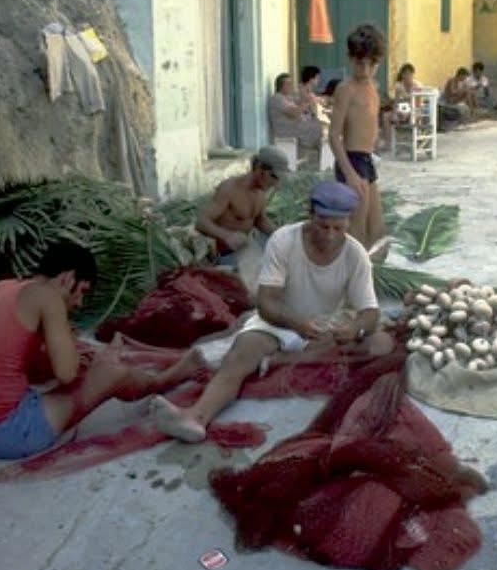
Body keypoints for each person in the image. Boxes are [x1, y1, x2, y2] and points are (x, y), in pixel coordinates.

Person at [151, 181, 395, 442]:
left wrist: (354, 328)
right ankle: (196, 417)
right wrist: (297, 322)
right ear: (310, 214)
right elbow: (267, 303)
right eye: (324, 225)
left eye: (339, 228)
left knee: (381, 343)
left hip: (324, 329)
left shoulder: (355, 254)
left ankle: (278, 360)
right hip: (280, 322)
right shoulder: (284, 240)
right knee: (242, 352)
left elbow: (370, 313)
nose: (331, 234)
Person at [0, 241, 202, 459]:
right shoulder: (49, 296)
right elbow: (67, 373)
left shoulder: (3, 287)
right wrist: (96, 365)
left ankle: (140, 378)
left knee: (88, 362)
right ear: (66, 279)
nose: (79, 303)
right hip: (7, 434)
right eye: (81, 291)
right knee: (111, 373)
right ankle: (166, 380)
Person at [329, 24, 388, 249]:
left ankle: (370, 275)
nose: (364, 68)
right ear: (351, 59)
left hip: (367, 159)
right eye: (359, 62)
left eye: (369, 63)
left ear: (376, 63)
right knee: (357, 231)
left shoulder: (373, 87)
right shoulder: (346, 89)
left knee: (378, 231)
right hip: (351, 160)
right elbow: (334, 136)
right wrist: (350, 174)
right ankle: (350, 278)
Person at [195, 146, 289, 267]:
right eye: (274, 177)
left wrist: (280, 234)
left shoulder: (260, 192)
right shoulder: (229, 189)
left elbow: (260, 220)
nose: (276, 183)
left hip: (248, 248)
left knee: (286, 258)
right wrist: (226, 236)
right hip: (229, 254)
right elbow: (200, 222)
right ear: (260, 169)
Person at [268, 72, 323, 171]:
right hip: (287, 131)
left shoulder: (287, 97)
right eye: (288, 84)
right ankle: (323, 162)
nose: (291, 86)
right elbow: (295, 113)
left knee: (320, 127)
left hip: (296, 127)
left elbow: (300, 100)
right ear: (281, 85)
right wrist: (306, 102)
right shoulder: (277, 98)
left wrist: (306, 95)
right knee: (321, 131)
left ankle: (321, 159)